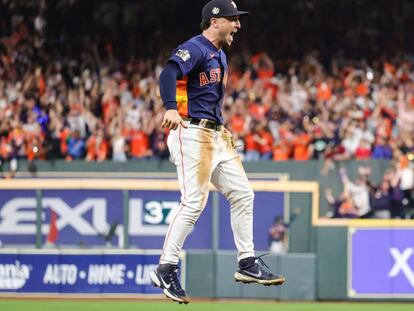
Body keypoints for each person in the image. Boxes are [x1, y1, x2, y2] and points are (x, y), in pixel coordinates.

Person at [150, 0, 285, 304]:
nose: (238, 25)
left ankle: (247, 262)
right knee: (194, 202)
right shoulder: (196, 47)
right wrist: (171, 107)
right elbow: (168, 74)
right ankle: (166, 267)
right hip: (191, 132)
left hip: (215, 134)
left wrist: (220, 128)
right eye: (233, 19)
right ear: (215, 21)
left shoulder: (220, 54)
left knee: (243, 194)